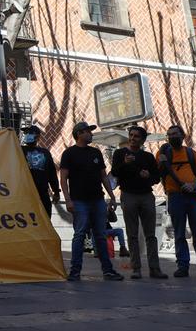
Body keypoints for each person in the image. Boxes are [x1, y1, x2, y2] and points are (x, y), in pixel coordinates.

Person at [59, 121, 124, 282]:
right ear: (79, 133)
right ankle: (75, 272)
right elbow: (63, 178)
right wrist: (68, 200)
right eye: (88, 131)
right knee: (80, 234)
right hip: (79, 201)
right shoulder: (69, 153)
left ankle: (108, 271)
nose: (91, 134)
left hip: (98, 200)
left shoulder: (96, 153)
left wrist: (112, 196)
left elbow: (103, 176)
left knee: (101, 235)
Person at [158, 125, 196, 278]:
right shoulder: (163, 153)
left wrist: (192, 185)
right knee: (179, 233)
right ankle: (183, 266)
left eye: (175, 134)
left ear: (182, 135)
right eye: (169, 134)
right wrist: (161, 161)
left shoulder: (190, 153)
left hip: (193, 197)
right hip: (175, 197)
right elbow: (159, 174)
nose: (172, 137)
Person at [111, 125, 167, 279]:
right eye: (131, 135)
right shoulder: (119, 153)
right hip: (128, 195)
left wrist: (148, 175)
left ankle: (155, 268)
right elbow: (114, 172)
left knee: (151, 234)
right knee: (132, 233)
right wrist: (125, 163)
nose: (132, 138)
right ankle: (136, 268)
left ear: (142, 140)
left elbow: (156, 178)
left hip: (146, 196)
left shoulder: (148, 157)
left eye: (136, 136)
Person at [20, 125, 60, 217]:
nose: (27, 135)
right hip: (25, 195)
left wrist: (56, 191)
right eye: (25, 133)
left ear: (38, 137)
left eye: (30, 133)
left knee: (45, 220)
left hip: (42, 194)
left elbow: (52, 173)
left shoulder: (45, 152)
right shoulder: (19, 150)